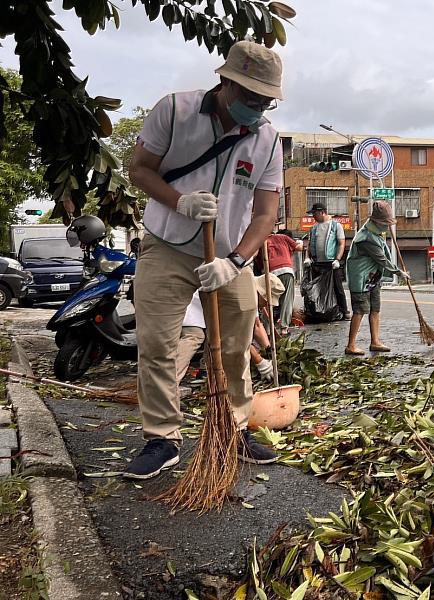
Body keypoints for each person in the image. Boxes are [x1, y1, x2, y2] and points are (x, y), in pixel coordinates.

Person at [124, 41, 284, 479]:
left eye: (266, 100)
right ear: (226, 82)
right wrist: (180, 202)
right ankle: (162, 438)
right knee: (157, 344)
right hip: (166, 245)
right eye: (251, 97)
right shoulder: (173, 111)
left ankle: (232, 429)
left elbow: (266, 213)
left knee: (236, 347)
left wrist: (235, 261)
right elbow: (139, 170)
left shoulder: (267, 140)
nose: (258, 107)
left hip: (230, 254)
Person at [344, 201, 408, 355]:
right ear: (377, 222)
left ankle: (375, 341)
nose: (387, 226)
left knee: (375, 309)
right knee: (360, 310)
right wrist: (399, 272)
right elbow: (381, 259)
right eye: (385, 223)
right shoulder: (366, 238)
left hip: (373, 278)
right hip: (361, 280)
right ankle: (351, 345)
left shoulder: (376, 233)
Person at [303, 203, 350, 320]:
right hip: (317, 263)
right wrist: (307, 257)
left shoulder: (335, 226)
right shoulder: (313, 228)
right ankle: (319, 312)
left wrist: (337, 259)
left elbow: (341, 243)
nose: (313, 216)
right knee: (316, 288)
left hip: (331, 264)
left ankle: (344, 311)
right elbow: (308, 245)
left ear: (322, 212)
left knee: (337, 287)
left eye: (314, 213)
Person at [250, 272, 285, 381]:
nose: (267, 305)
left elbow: (257, 326)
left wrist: (269, 350)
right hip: (202, 316)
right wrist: (259, 361)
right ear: (261, 293)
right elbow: (238, 337)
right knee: (198, 337)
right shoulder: (244, 297)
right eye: (267, 301)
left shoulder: (253, 297)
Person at [268, 228, 302, 335]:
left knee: (270, 301)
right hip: (286, 270)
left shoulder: (263, 241)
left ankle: (268, 329)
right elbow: (299, 247)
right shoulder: (284, 238)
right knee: (287, 300)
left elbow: (260, 262)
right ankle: (284, 328)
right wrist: (299, 242)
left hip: (271, 272)